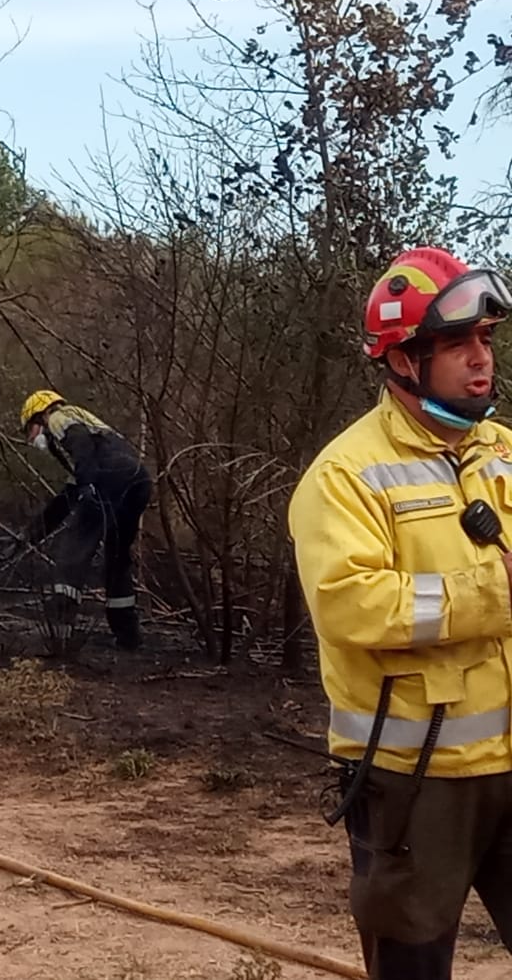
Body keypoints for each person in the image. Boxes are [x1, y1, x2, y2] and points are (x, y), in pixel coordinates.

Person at [288, 247, 512, 979]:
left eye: (485, 339)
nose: (481, 359)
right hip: (415, 778)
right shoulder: (345, 475)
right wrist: (493, 595)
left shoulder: (503, 452)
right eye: (457, 344)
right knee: (411, 964)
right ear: (403, 359)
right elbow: (350, 606)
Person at [15, 390, 152, 650]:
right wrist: (32, 534)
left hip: (108, 479)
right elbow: (65, 500)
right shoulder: (95, 449)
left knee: (72, 552)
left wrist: (88, 484)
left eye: (29, 431)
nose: (30, 439)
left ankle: (60, 635)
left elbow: (80, 447)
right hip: (138, 481)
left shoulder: (59, 417)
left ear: (39, 416)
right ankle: (128, 638)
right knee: (116, 558)